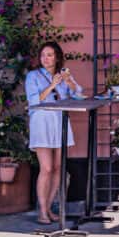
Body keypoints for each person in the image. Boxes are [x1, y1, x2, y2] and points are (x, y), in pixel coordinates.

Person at [25, 41, 84, 225]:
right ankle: (42, 211)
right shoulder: (33, 76)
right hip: (42, 121)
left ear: (57, 57)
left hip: (59, 120)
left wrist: (69, 83)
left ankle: (49, 207)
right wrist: (52, 85)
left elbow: (78, 95)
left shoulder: (63, 74)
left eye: (49, 55)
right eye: (43, 55)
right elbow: (34, 100)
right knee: (47, 168)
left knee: (59, 168)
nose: (46, 59)